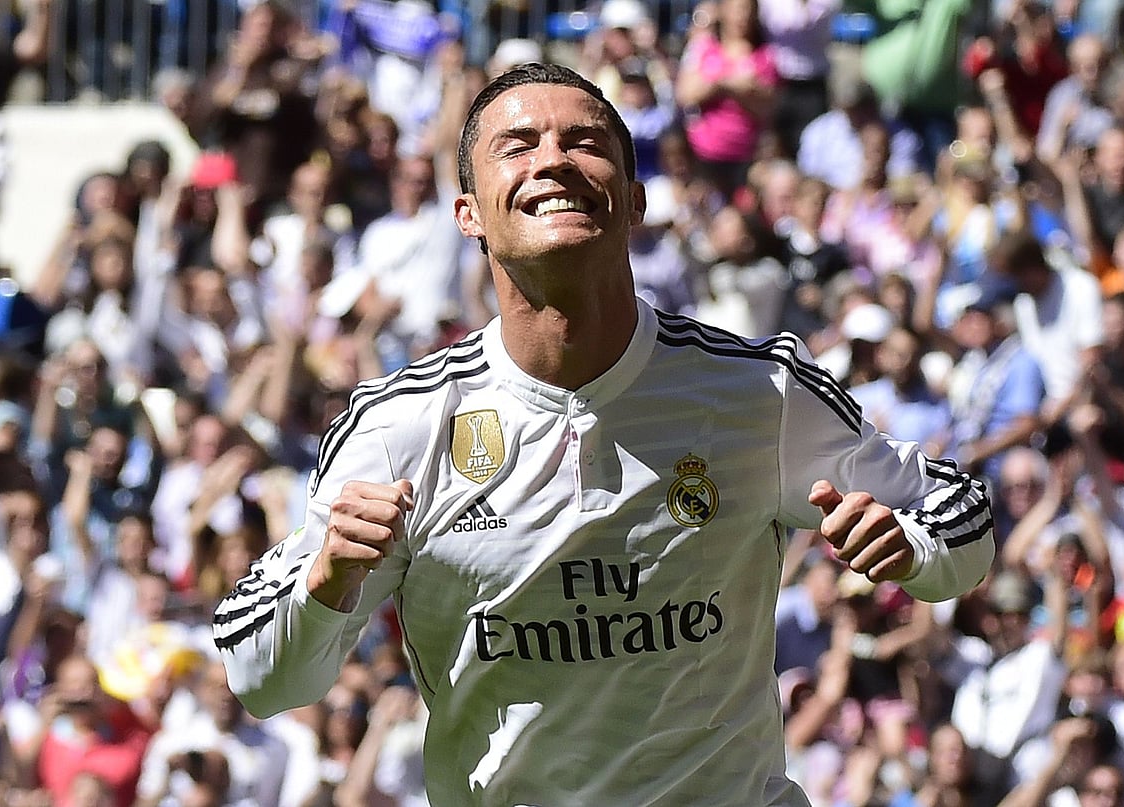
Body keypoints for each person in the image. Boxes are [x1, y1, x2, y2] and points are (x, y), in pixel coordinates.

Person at [214, 63, 994, 805]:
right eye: (518, 145)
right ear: (468, 213)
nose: (553, 160)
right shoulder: (400, 424)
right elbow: (261, 680)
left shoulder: (758, 390)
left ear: (634, 201)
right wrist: (326, 582)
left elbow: (961, 514)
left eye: (584, 141)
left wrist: (912, 551)